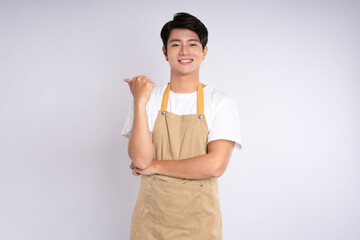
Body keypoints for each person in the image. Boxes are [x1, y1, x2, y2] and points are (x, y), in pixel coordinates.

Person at [121, 12, 242, 240]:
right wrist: (138, 102)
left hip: (200, 225)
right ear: (165, 53)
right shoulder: (148, 99)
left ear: (204, 52)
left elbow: (214, 165)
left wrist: (155, 166)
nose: (184, 51)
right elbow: (140, 160)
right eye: (176, 44)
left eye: (192, 44)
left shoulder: (221, 102)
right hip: (150, 224)